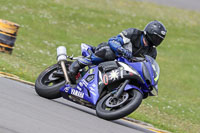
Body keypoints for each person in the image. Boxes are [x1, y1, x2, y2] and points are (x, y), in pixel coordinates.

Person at [68, 20, 167, 84]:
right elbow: (113, 41)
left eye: (159, 39)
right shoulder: (134, 33)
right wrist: (121, 50)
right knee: (108, 53)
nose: (157, 41)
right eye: (156, 37)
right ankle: (78, 64)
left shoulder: (152, 52)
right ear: (149, 32)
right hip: (113, 53)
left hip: (125, 67)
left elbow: (148, 67)